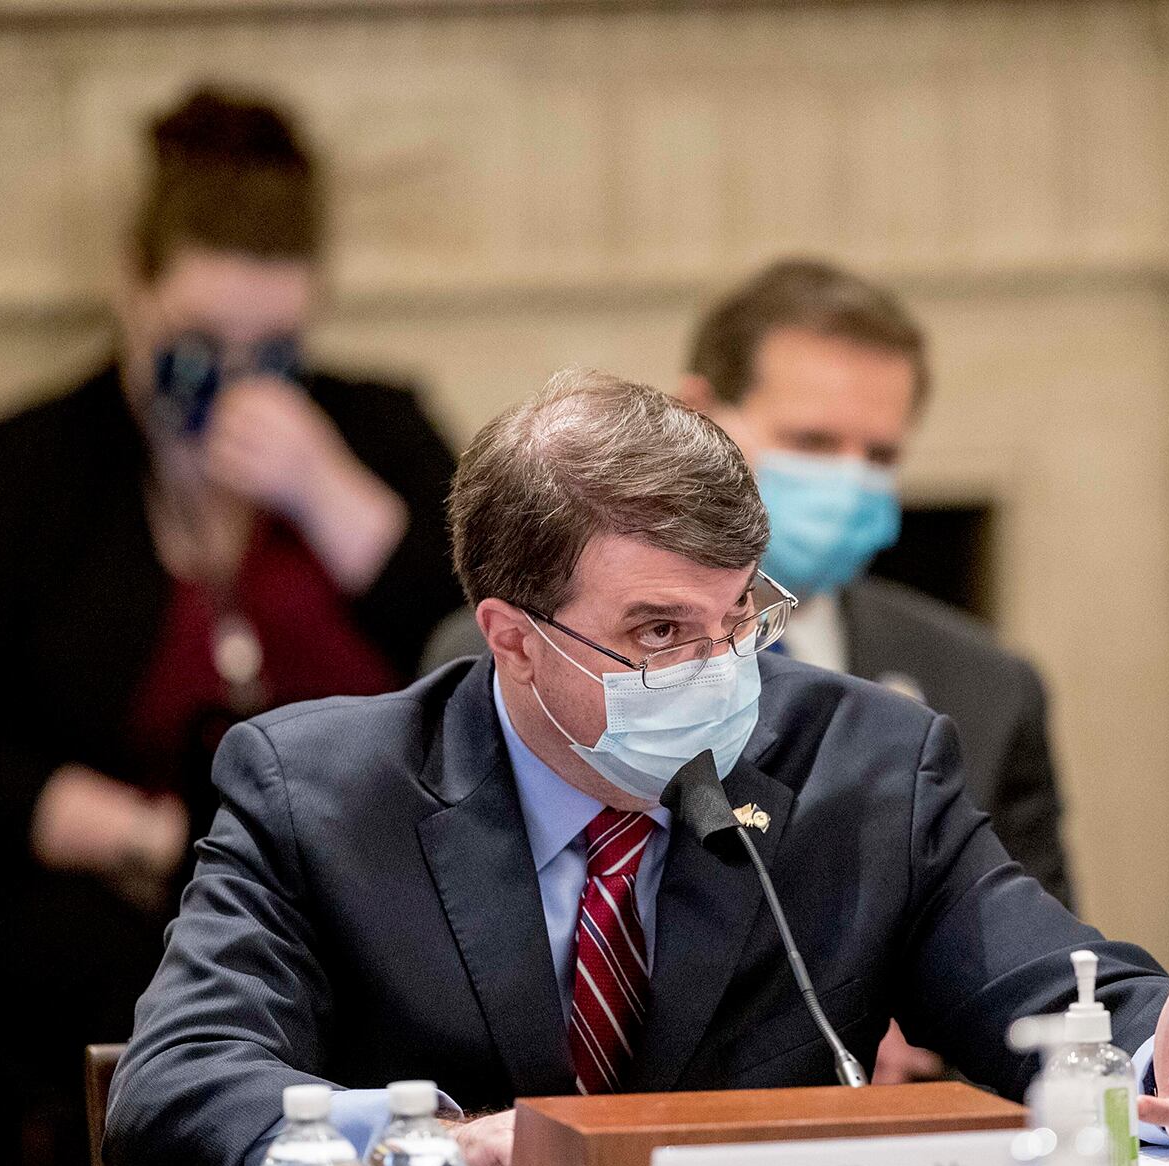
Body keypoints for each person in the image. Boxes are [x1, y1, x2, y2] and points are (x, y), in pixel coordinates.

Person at [105, 370, 1169, 1166]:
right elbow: (181, 1081)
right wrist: (432, 1143)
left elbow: (1057, 989)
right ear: (509, 636)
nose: (715, 671)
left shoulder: (866, 763)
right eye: (656, 630)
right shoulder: (319, 788)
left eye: (736, 621)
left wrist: (1161, 1061)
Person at [0, 86, 461, 1166]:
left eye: (274, 346)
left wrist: (330, 493)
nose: (237, 377)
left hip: (377, 882)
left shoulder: (378, 431)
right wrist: (130, 831)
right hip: (127, 894)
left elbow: (486, 644)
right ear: (131, 290)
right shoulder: (34, 467)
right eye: (200, 342)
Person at [421, 258, 1071, 1084]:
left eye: (879, 454)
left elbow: (1038, 969)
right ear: (698, 415)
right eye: (811, 443)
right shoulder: (490, 659)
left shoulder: (984, 684)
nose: (848, 481)